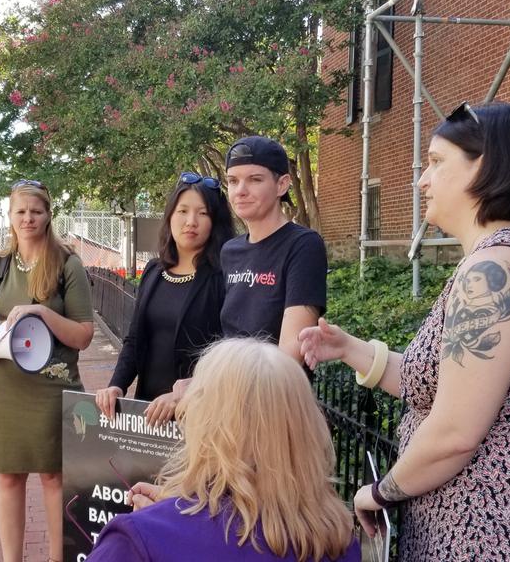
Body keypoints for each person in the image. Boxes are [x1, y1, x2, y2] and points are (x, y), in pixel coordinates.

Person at [299, 102, 510, 559]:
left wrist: (378, 492)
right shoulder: (496, 260)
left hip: (498, 536)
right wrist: (351, 349)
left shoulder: (494, 269)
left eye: (436, 162)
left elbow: (456, 431)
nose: (422, 180)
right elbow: (442, 384)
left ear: (486, 166)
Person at [87, 338, 360, 561]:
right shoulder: (339, 540)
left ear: (208, 426)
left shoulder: (135, 541)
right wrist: (181, 508)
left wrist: (162, 522)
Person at [0, 180, 94, 562]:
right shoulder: (0, 263)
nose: (28, 218)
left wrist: (42, 312)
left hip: (50, 388)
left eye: (36, 211)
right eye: (21, 212)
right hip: (5, 388)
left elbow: (83, 335)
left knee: (53, 478)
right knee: (8, 477)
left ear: (48, 215)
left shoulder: (67, 263)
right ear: (10, 216)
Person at [95, 172, 234, 426]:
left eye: (203, 213)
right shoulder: (154, 271)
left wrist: (184, 395)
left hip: (199, 416)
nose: (191, 221)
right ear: (170, 215)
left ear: (216, 222)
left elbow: (231, 354)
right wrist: (117, 385)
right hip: (150, 415)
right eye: (183, 211)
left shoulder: (224, 277)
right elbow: (135, 339)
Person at [220, 136, 327, 365]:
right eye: (232, 181)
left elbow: (291, 355)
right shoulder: (230, 251)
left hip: (274, 394)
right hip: (227, 392)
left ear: (282, 184)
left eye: (255, 179)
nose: (240, 191)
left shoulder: (303, 246)